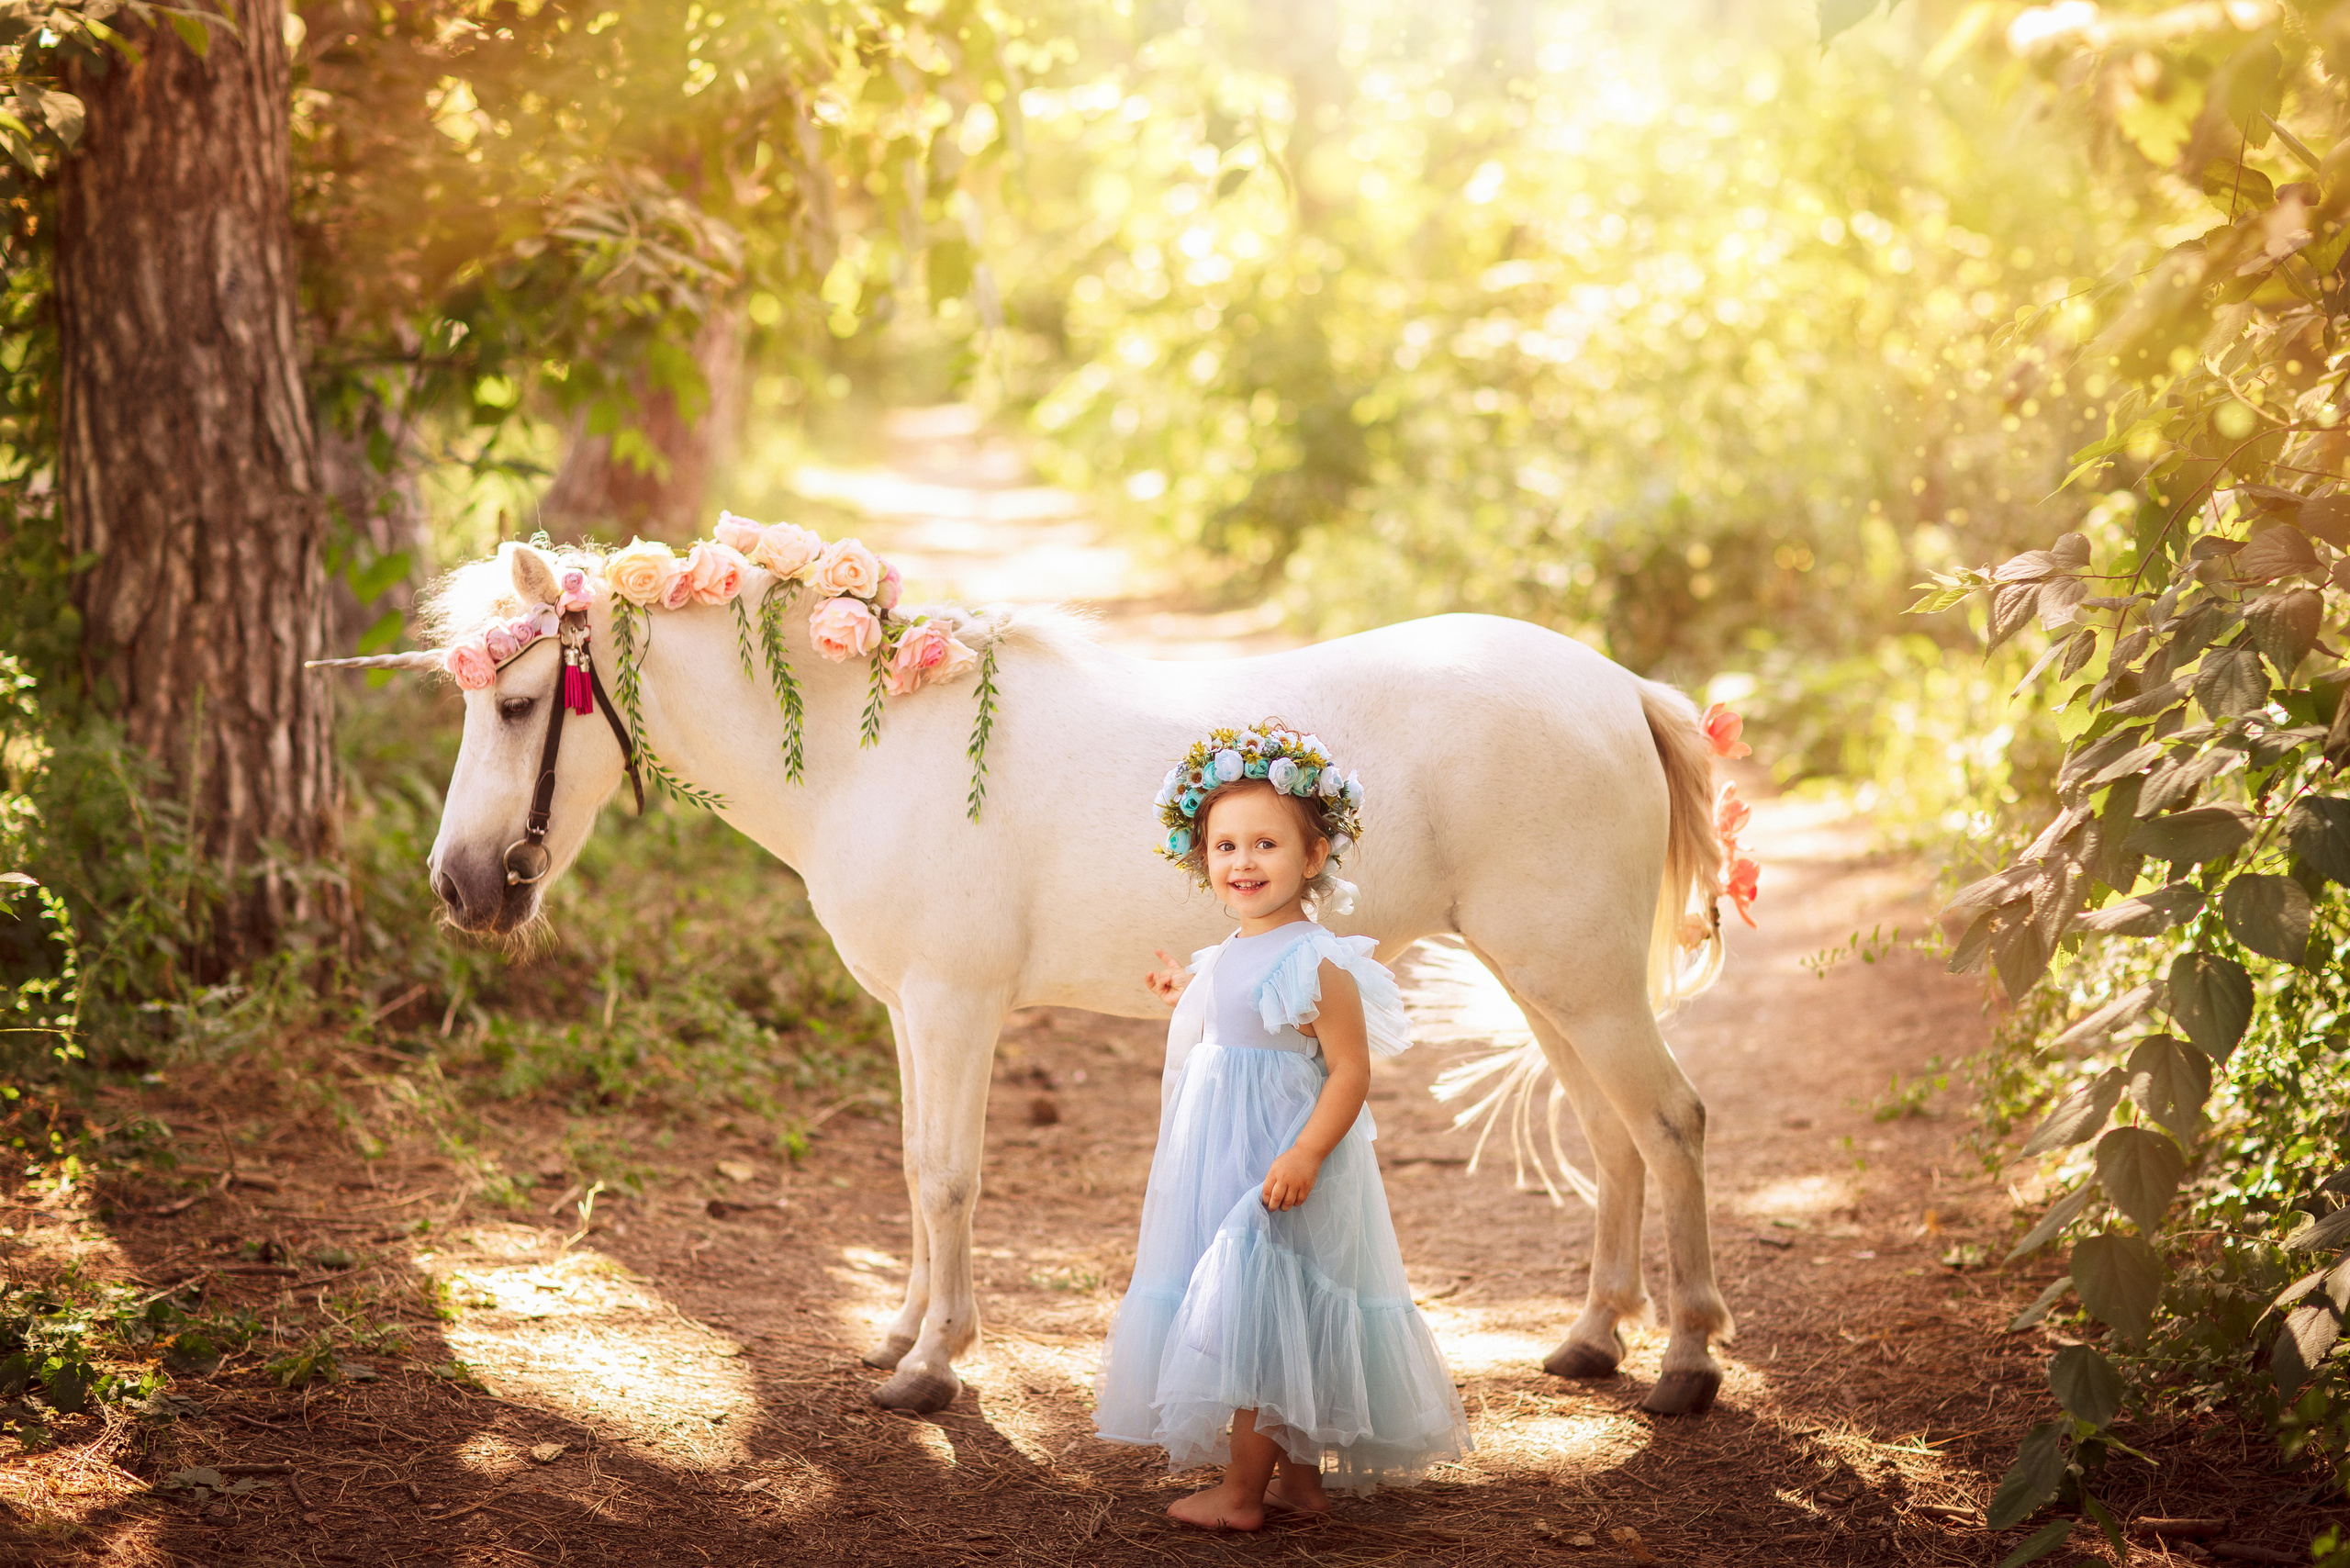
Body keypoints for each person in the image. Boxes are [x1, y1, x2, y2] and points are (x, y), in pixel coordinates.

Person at [1093, 722, 1472, 1530]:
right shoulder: (1232, 948)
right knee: (1276, 1313)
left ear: (1313, 856)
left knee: (1258, 1320)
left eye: (1266, 844)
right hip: (1227, 1154)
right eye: (1225, 846)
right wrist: (1186, 991)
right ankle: (1298, 1484)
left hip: (1280, 1157)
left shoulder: (1316, 959)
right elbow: (1239, 1011)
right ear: (1202, 856)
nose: (1243, 862)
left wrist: (1306, 1151)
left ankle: (1239, 1495)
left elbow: (1351, 1071)